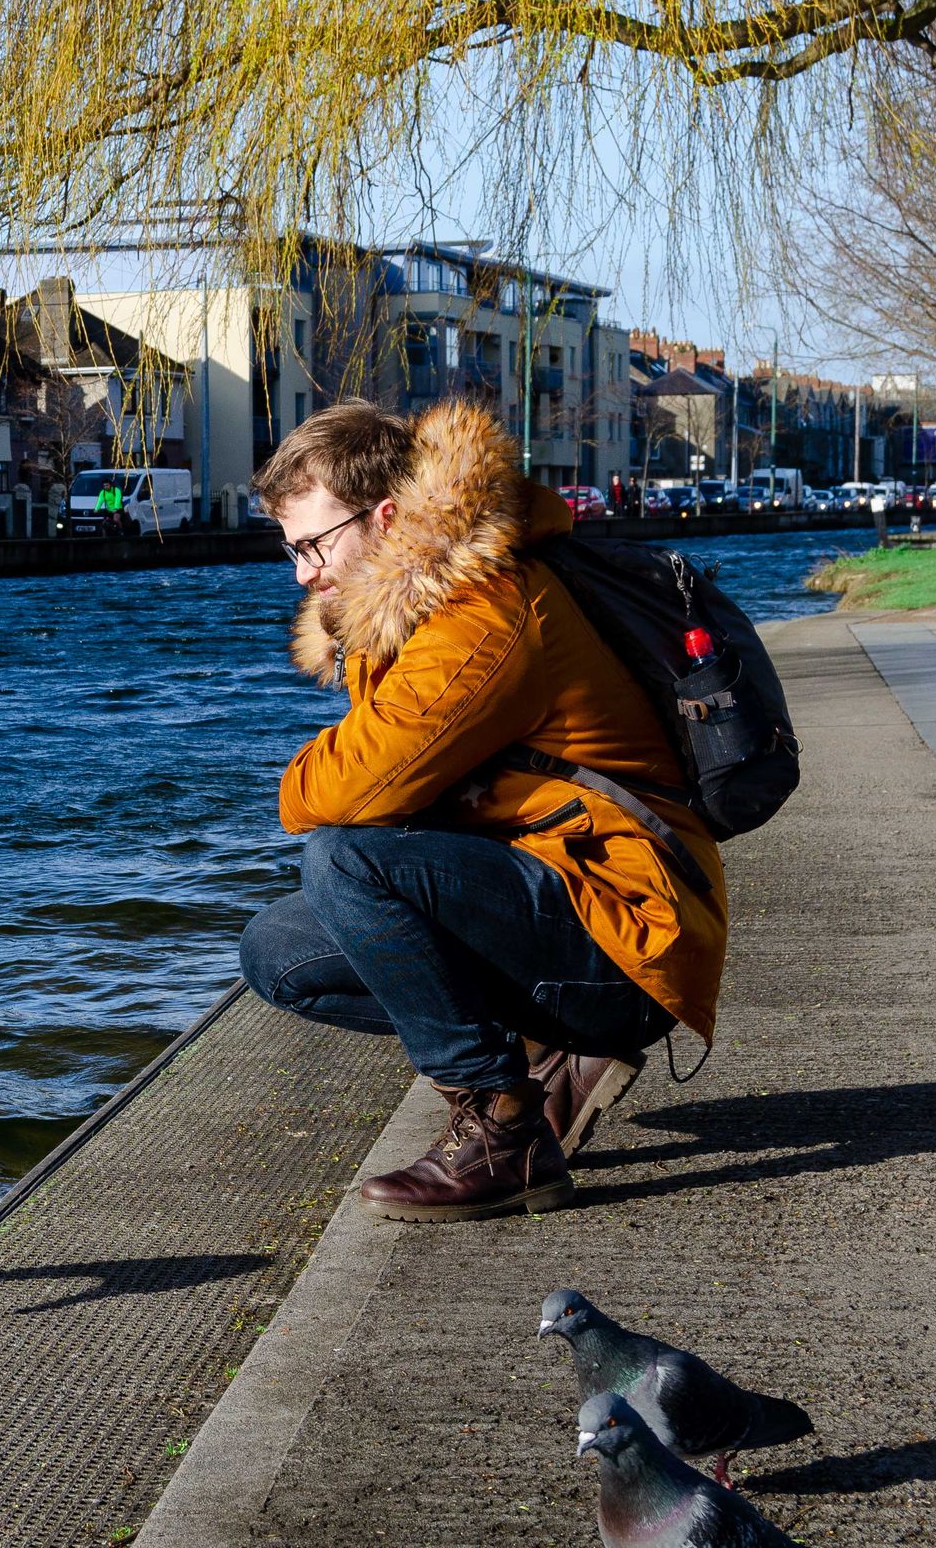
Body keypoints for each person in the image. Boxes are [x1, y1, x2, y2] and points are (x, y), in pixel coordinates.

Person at [238, 399, 727, 1222]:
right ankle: (550, 1051)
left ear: (386, 517)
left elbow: (347, 792)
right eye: (291, 551)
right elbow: (377, 776)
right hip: (566, 890)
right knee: (278, 950)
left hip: (631, 920)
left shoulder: (482, 617)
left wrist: (304, 778)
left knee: (342, 859)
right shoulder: (415, 615)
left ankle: (505, 1127)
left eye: (314, 545)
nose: (303, 574)